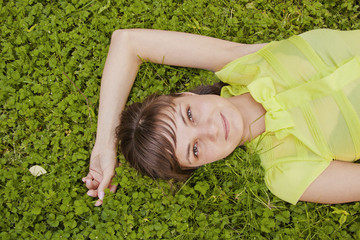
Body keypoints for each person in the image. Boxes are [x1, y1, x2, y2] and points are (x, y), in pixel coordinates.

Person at [82, 28, 360, 206]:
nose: (210, 130)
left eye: (190, 115)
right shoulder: (287, 171)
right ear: (200, 165)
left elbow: (128, 42)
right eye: (194, 149)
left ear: (186, 95)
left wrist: (104, 144)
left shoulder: (246, 62)